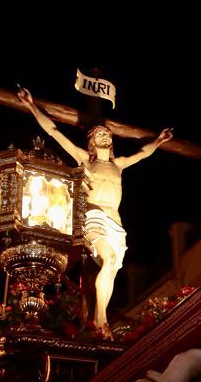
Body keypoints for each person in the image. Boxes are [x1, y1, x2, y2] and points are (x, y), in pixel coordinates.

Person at [17, 87, 174, 336]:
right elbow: (54, 132)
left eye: (107, 133)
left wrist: (159, 141)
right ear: (92, 141)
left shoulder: (118, 164)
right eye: (100, 133)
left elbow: (144, 153)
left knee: (111, 266)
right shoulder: (85, 160)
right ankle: (101, 321)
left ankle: (98, 317)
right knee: (108, 258)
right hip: (93, 219)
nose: (105, 135)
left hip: (115, 222)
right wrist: (31, 105)